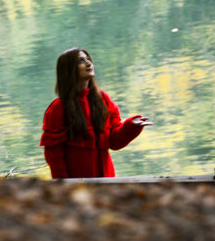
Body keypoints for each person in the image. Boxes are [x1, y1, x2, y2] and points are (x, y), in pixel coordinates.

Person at [40, 47, 153, 179]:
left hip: (107, 181)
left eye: (88, 59)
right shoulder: (57, 108)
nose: (88, 63)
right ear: (68, 70)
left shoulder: (103, 100)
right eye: (81, 61)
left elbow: (115, 142)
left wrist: (131, 126)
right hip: (76, 186)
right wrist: (64, 188)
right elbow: (54, 157)